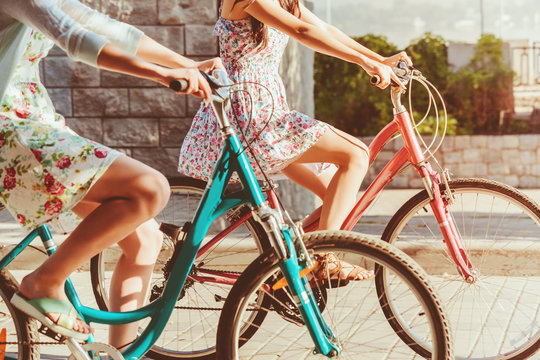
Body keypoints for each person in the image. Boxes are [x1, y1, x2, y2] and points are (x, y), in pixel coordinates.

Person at [0, 0, 222, 349]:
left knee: (145, 239)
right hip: (10, 132)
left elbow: (108, 29)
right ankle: (45, 281)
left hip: (32, 124)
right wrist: (161, 73)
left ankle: (121, 355)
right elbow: (75, 39)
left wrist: (188, 64)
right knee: (149, 189)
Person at [178, 0, 412, 280]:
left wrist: (378, 58)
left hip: (262, 110)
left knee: (335, 199)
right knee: (356, 154)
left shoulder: (283, 1)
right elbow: (302, 31)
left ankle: (291, 256)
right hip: (252, 114)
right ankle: (323, 260)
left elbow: (322, 27)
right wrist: (364, 62)